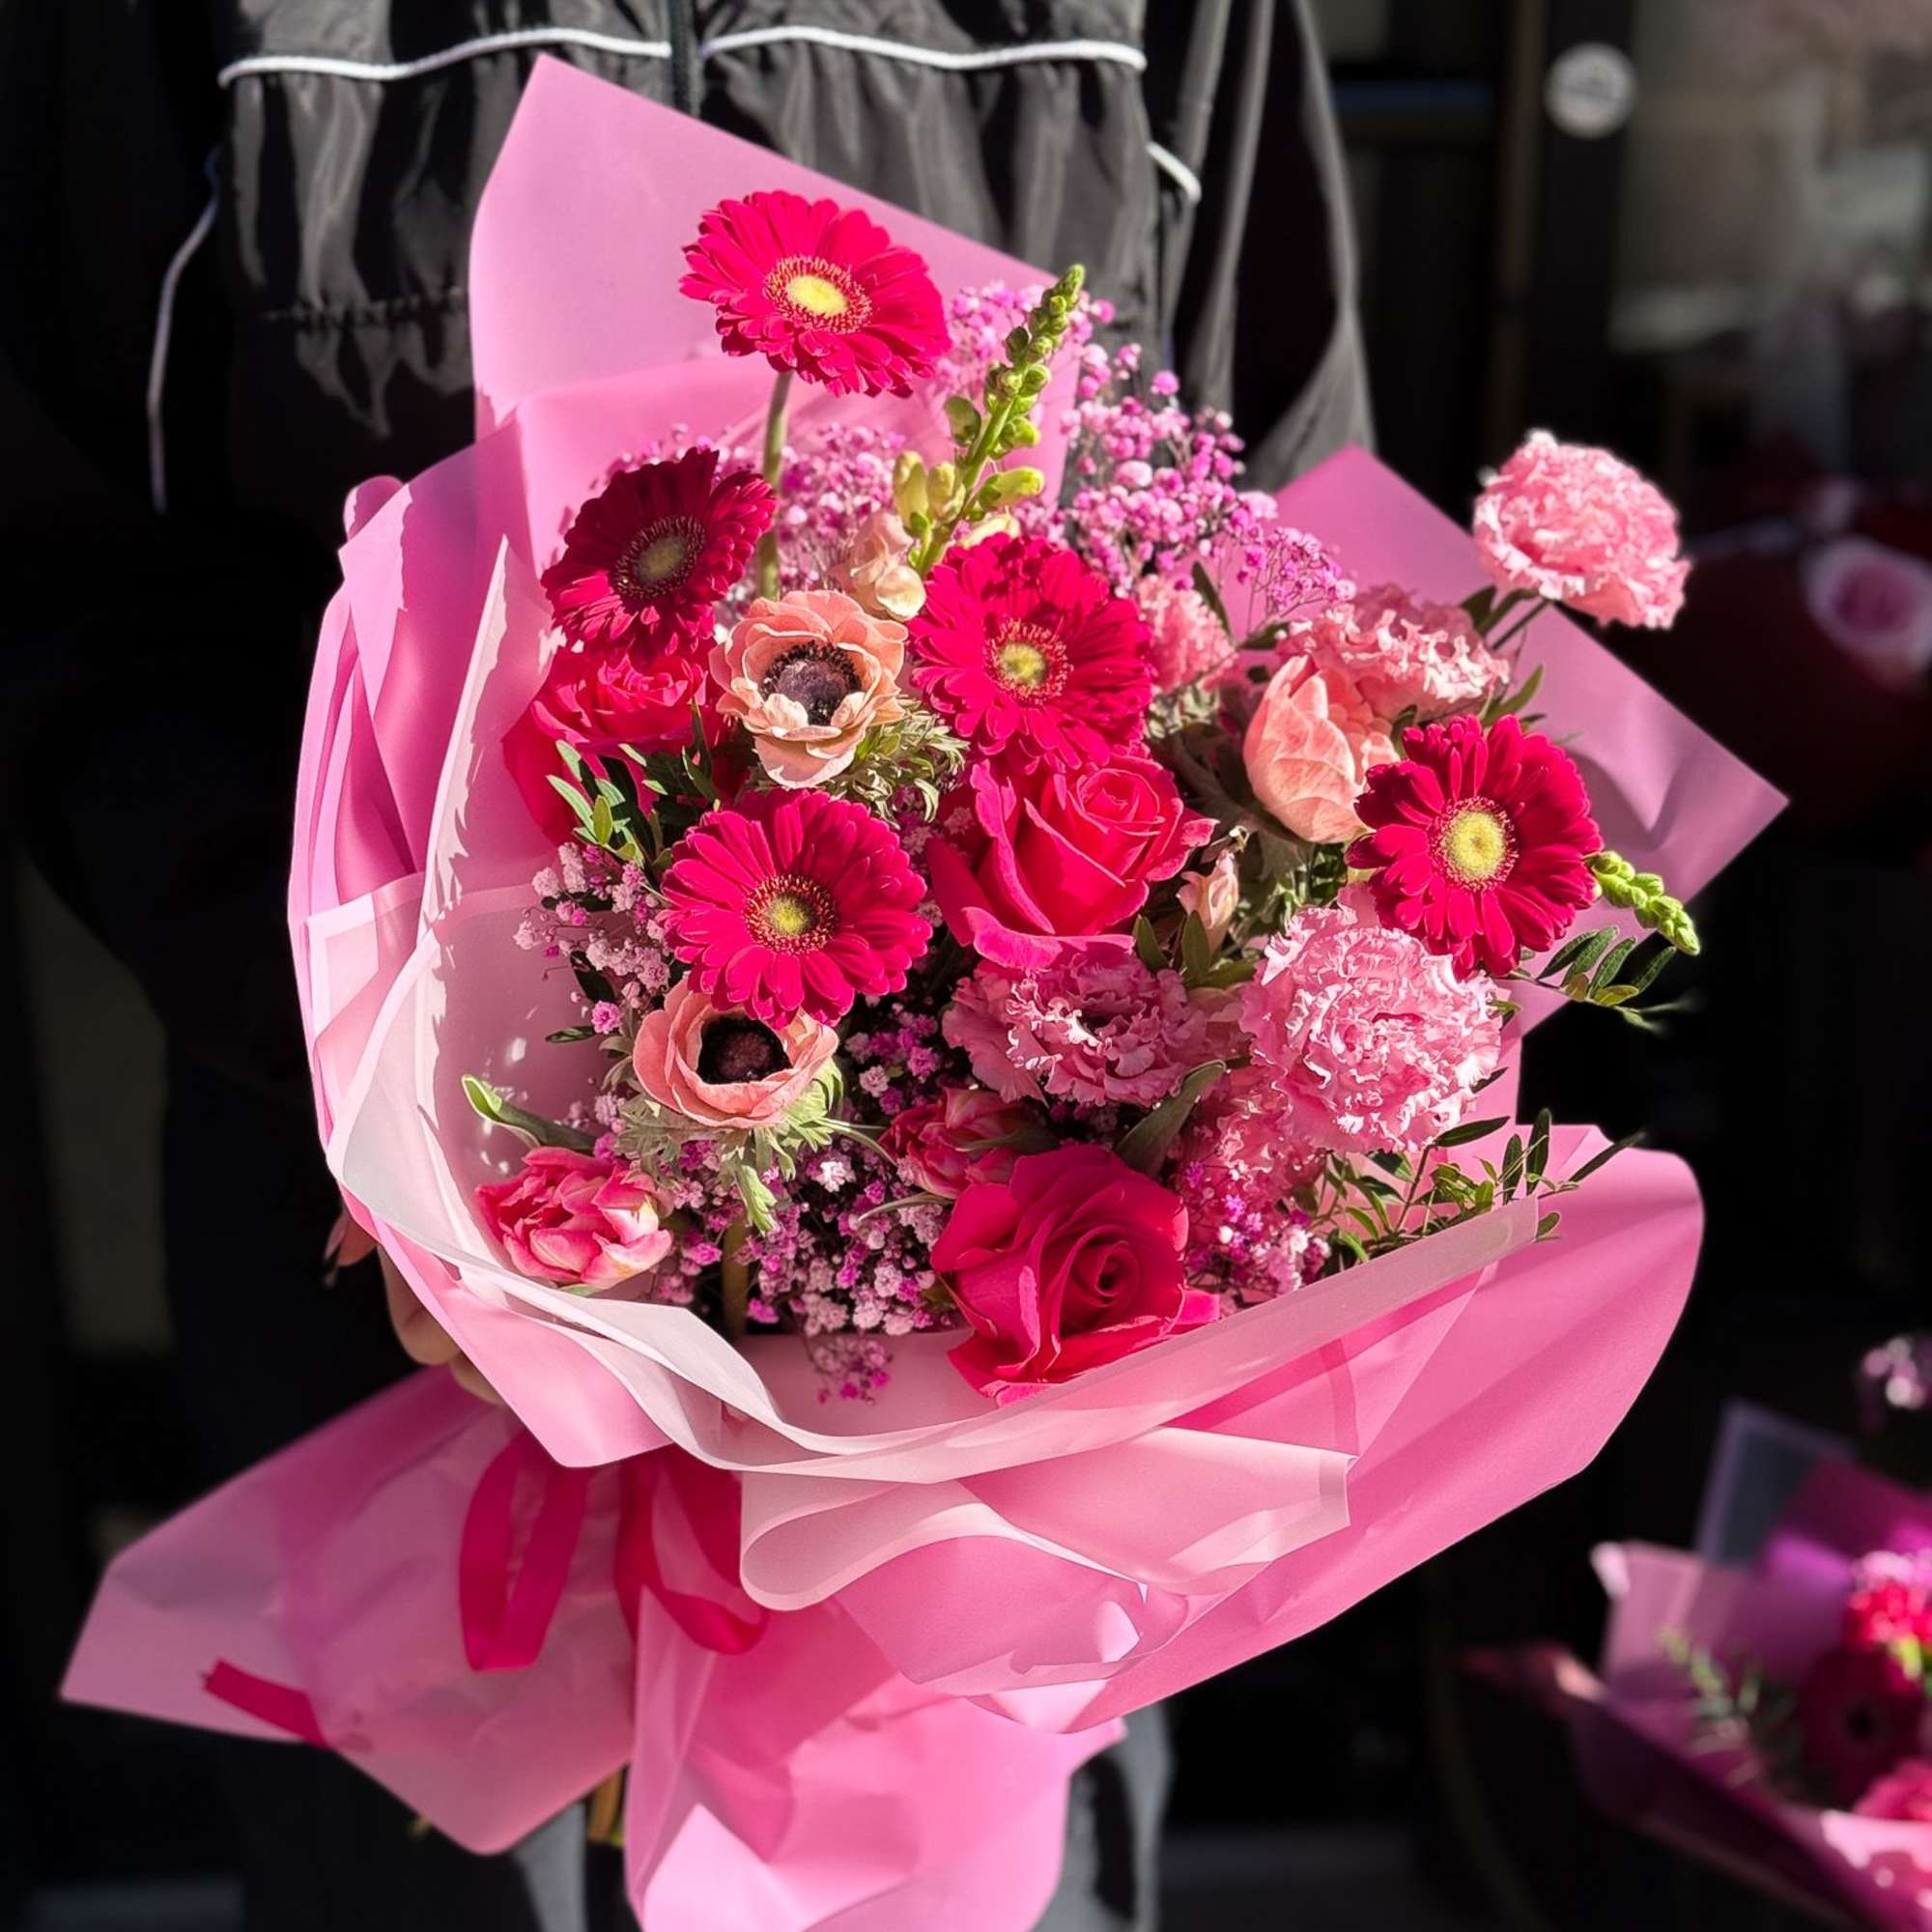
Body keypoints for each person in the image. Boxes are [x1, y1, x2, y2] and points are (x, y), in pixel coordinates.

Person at [1, 5, 1365, 1926]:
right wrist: (425, 1119)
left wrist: (1086, 1089)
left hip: (996, 1312)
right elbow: (79, 577)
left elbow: (1271, 581)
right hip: (373, 1247)